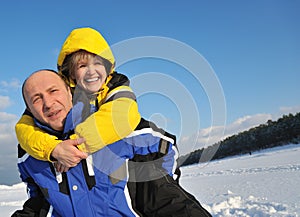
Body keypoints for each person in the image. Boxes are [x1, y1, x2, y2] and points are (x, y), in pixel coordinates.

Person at [12, 69, 211, 217]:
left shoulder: (108, 125)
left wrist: (159, 183)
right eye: (36, 99)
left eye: (53, 91)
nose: (48, 103)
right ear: (29, 109)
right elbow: (40, 203)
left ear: (68, 91)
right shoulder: (29, 155)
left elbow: (164, 146)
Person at [15, 27, 141, 170]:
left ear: (108, 68)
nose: (91, 71)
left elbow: (120, 117)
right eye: (82, 66)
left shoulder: (118, 88)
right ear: (72, 73)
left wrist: (74, 147)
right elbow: (24, 129)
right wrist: (53, 149)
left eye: (98, 63)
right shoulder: (62, 94)